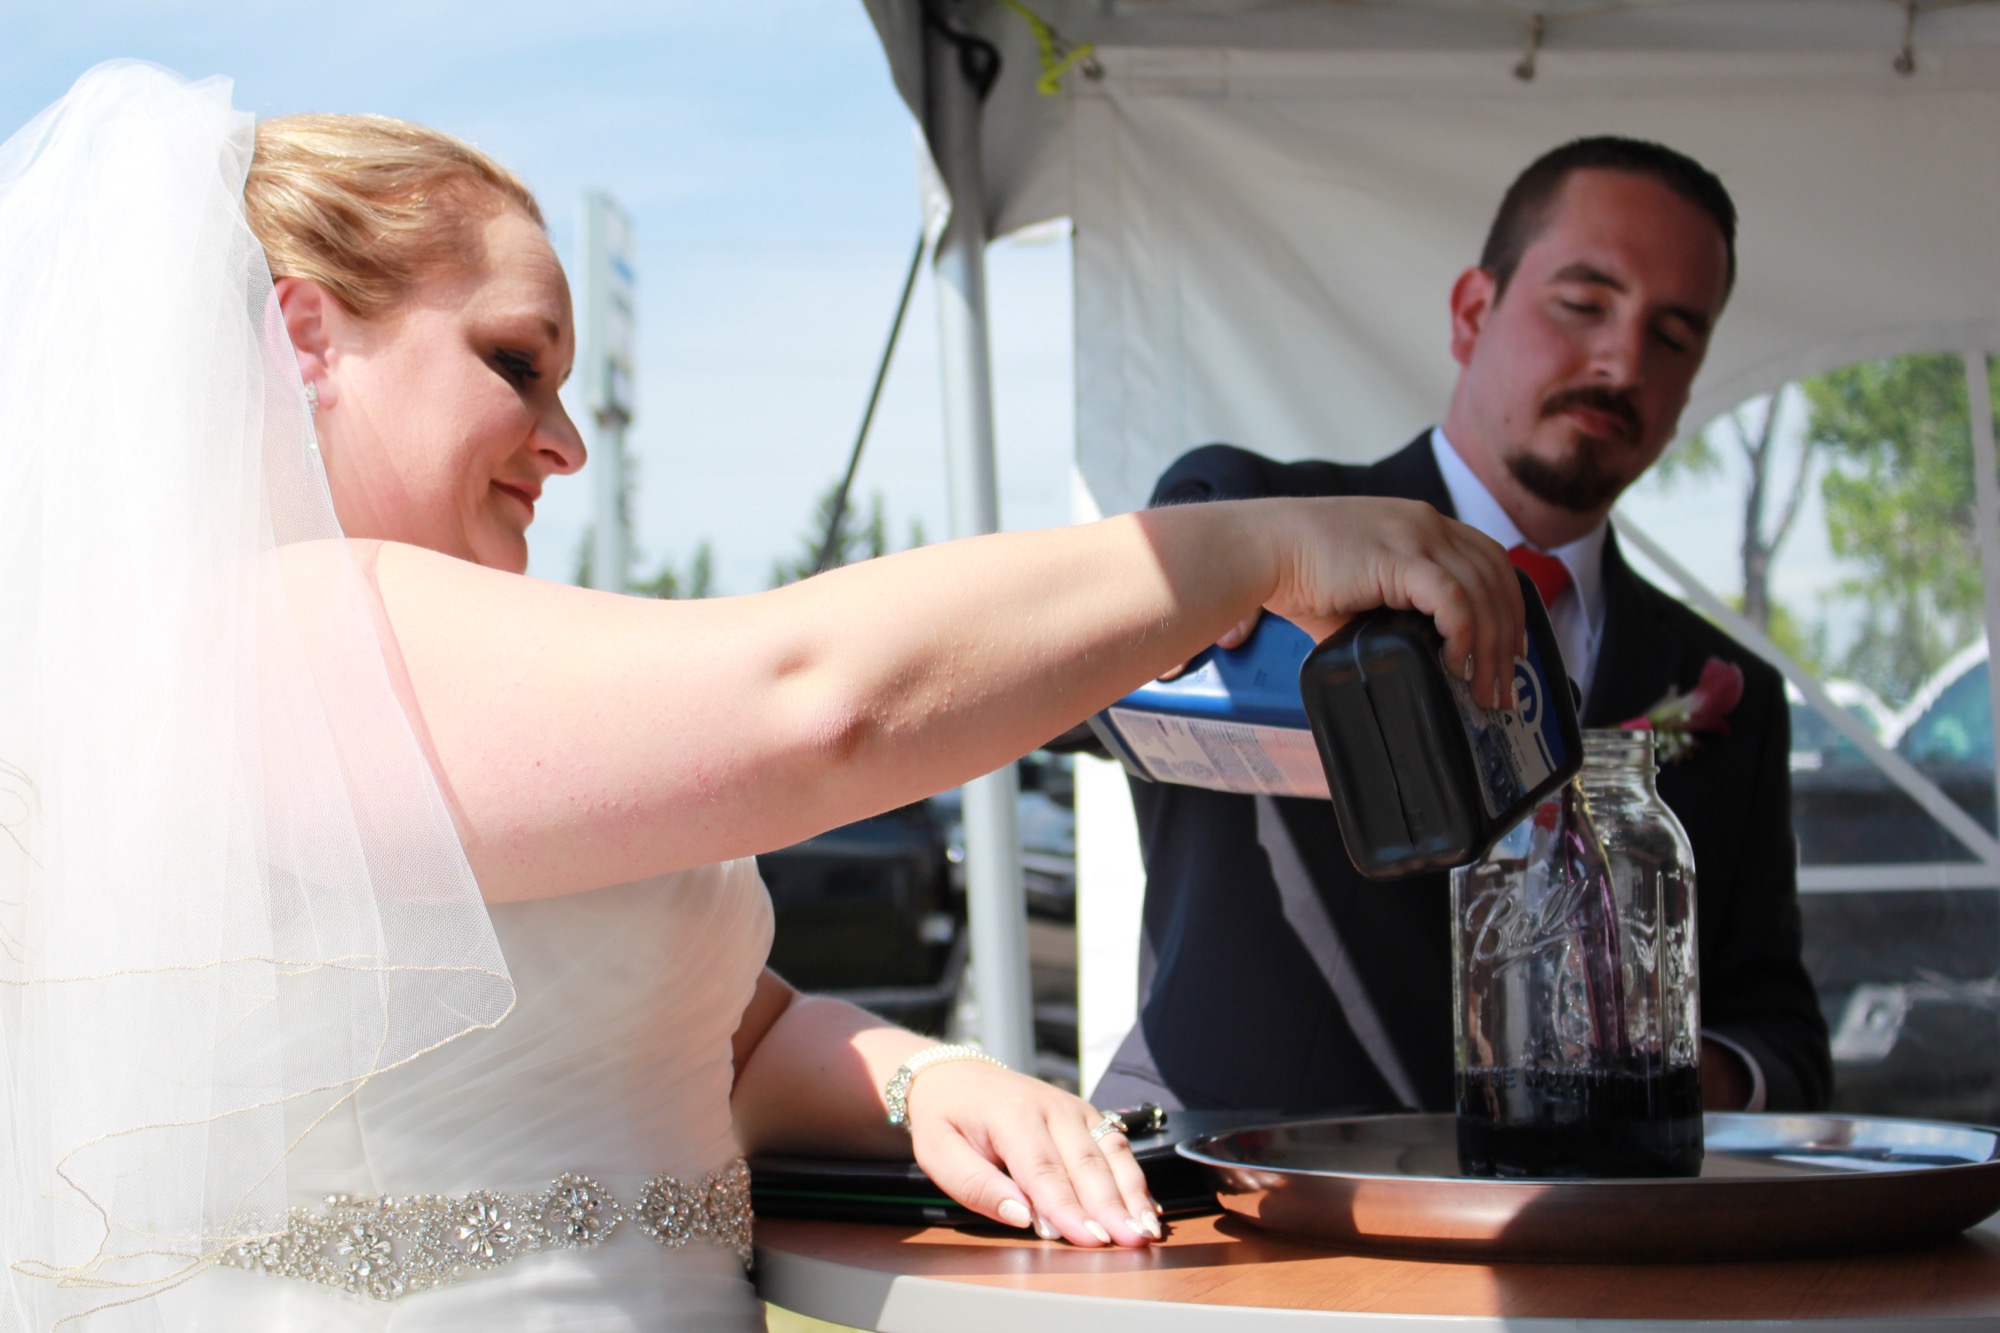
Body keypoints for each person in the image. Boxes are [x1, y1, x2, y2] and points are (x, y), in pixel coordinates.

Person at [0, 64, 1526, 1330]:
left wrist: (924, 1075)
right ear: (306, 335)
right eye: (516, 362)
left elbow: (714, 1033)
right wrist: (1243, 552)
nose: (566, 440)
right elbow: (812, 702)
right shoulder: (258, 635)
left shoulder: (446, 666)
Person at [1094, 137, 1833, 1120]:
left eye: (1671, 336)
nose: (1621, 361)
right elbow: (1096, 666)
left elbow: (1780, 1036)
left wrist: (1669, 1066)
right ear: (1472, 313)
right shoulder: (1253, 516)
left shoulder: (1726, 685)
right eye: (1583, 304)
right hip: (1248, 1183)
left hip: (1584, 1204)